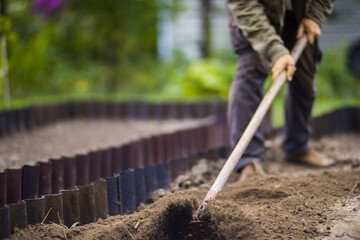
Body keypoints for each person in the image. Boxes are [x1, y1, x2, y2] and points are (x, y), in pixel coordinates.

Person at [226, 0, 335, 179]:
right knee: (251, 67)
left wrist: (315, 15)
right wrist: (276, 52)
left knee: (304, 71)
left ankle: (298, 147)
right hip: (253, 12)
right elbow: (243, 4)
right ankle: (248, 159)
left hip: (300, 11)